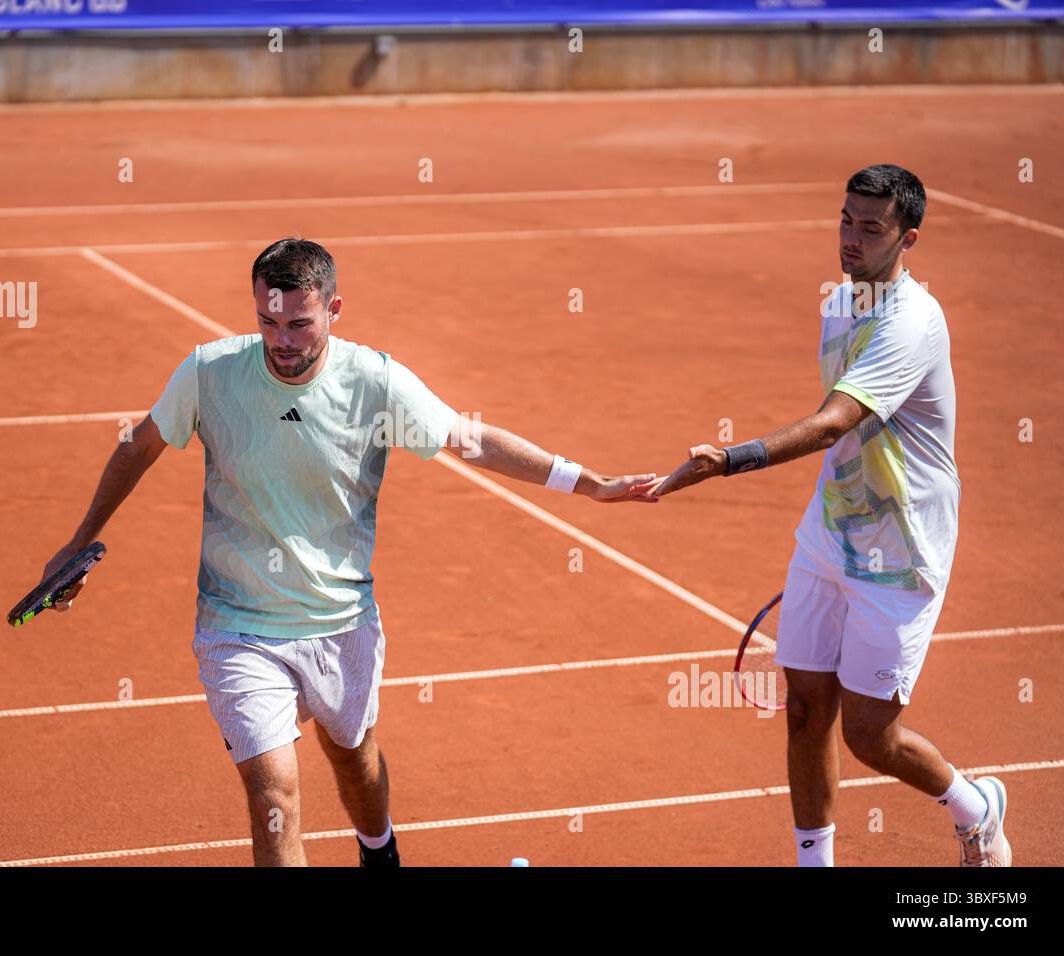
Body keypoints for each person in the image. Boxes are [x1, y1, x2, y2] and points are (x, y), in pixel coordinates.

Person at [39, 237, 660, 866]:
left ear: (334, 309)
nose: (281, 341)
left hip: (342, 623)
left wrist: (588, 483)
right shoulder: (209, 373)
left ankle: (377, 848)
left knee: (355, 760)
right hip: (238, 626)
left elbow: (468, 439)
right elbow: (140, 445)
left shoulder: (375, 382)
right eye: (267, 322)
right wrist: (78, 541)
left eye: (299, 324)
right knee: (272, 793)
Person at [647, 165, 1010, 867]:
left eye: (870, 228)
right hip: (829, 534)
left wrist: (729, 459)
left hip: (900, 552)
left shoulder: (911, 324)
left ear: (908, 239)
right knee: (806, 709)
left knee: (870, 736)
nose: (851, 237)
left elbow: (832, 423)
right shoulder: (841, 300)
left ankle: (975, 806)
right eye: (846, 220)